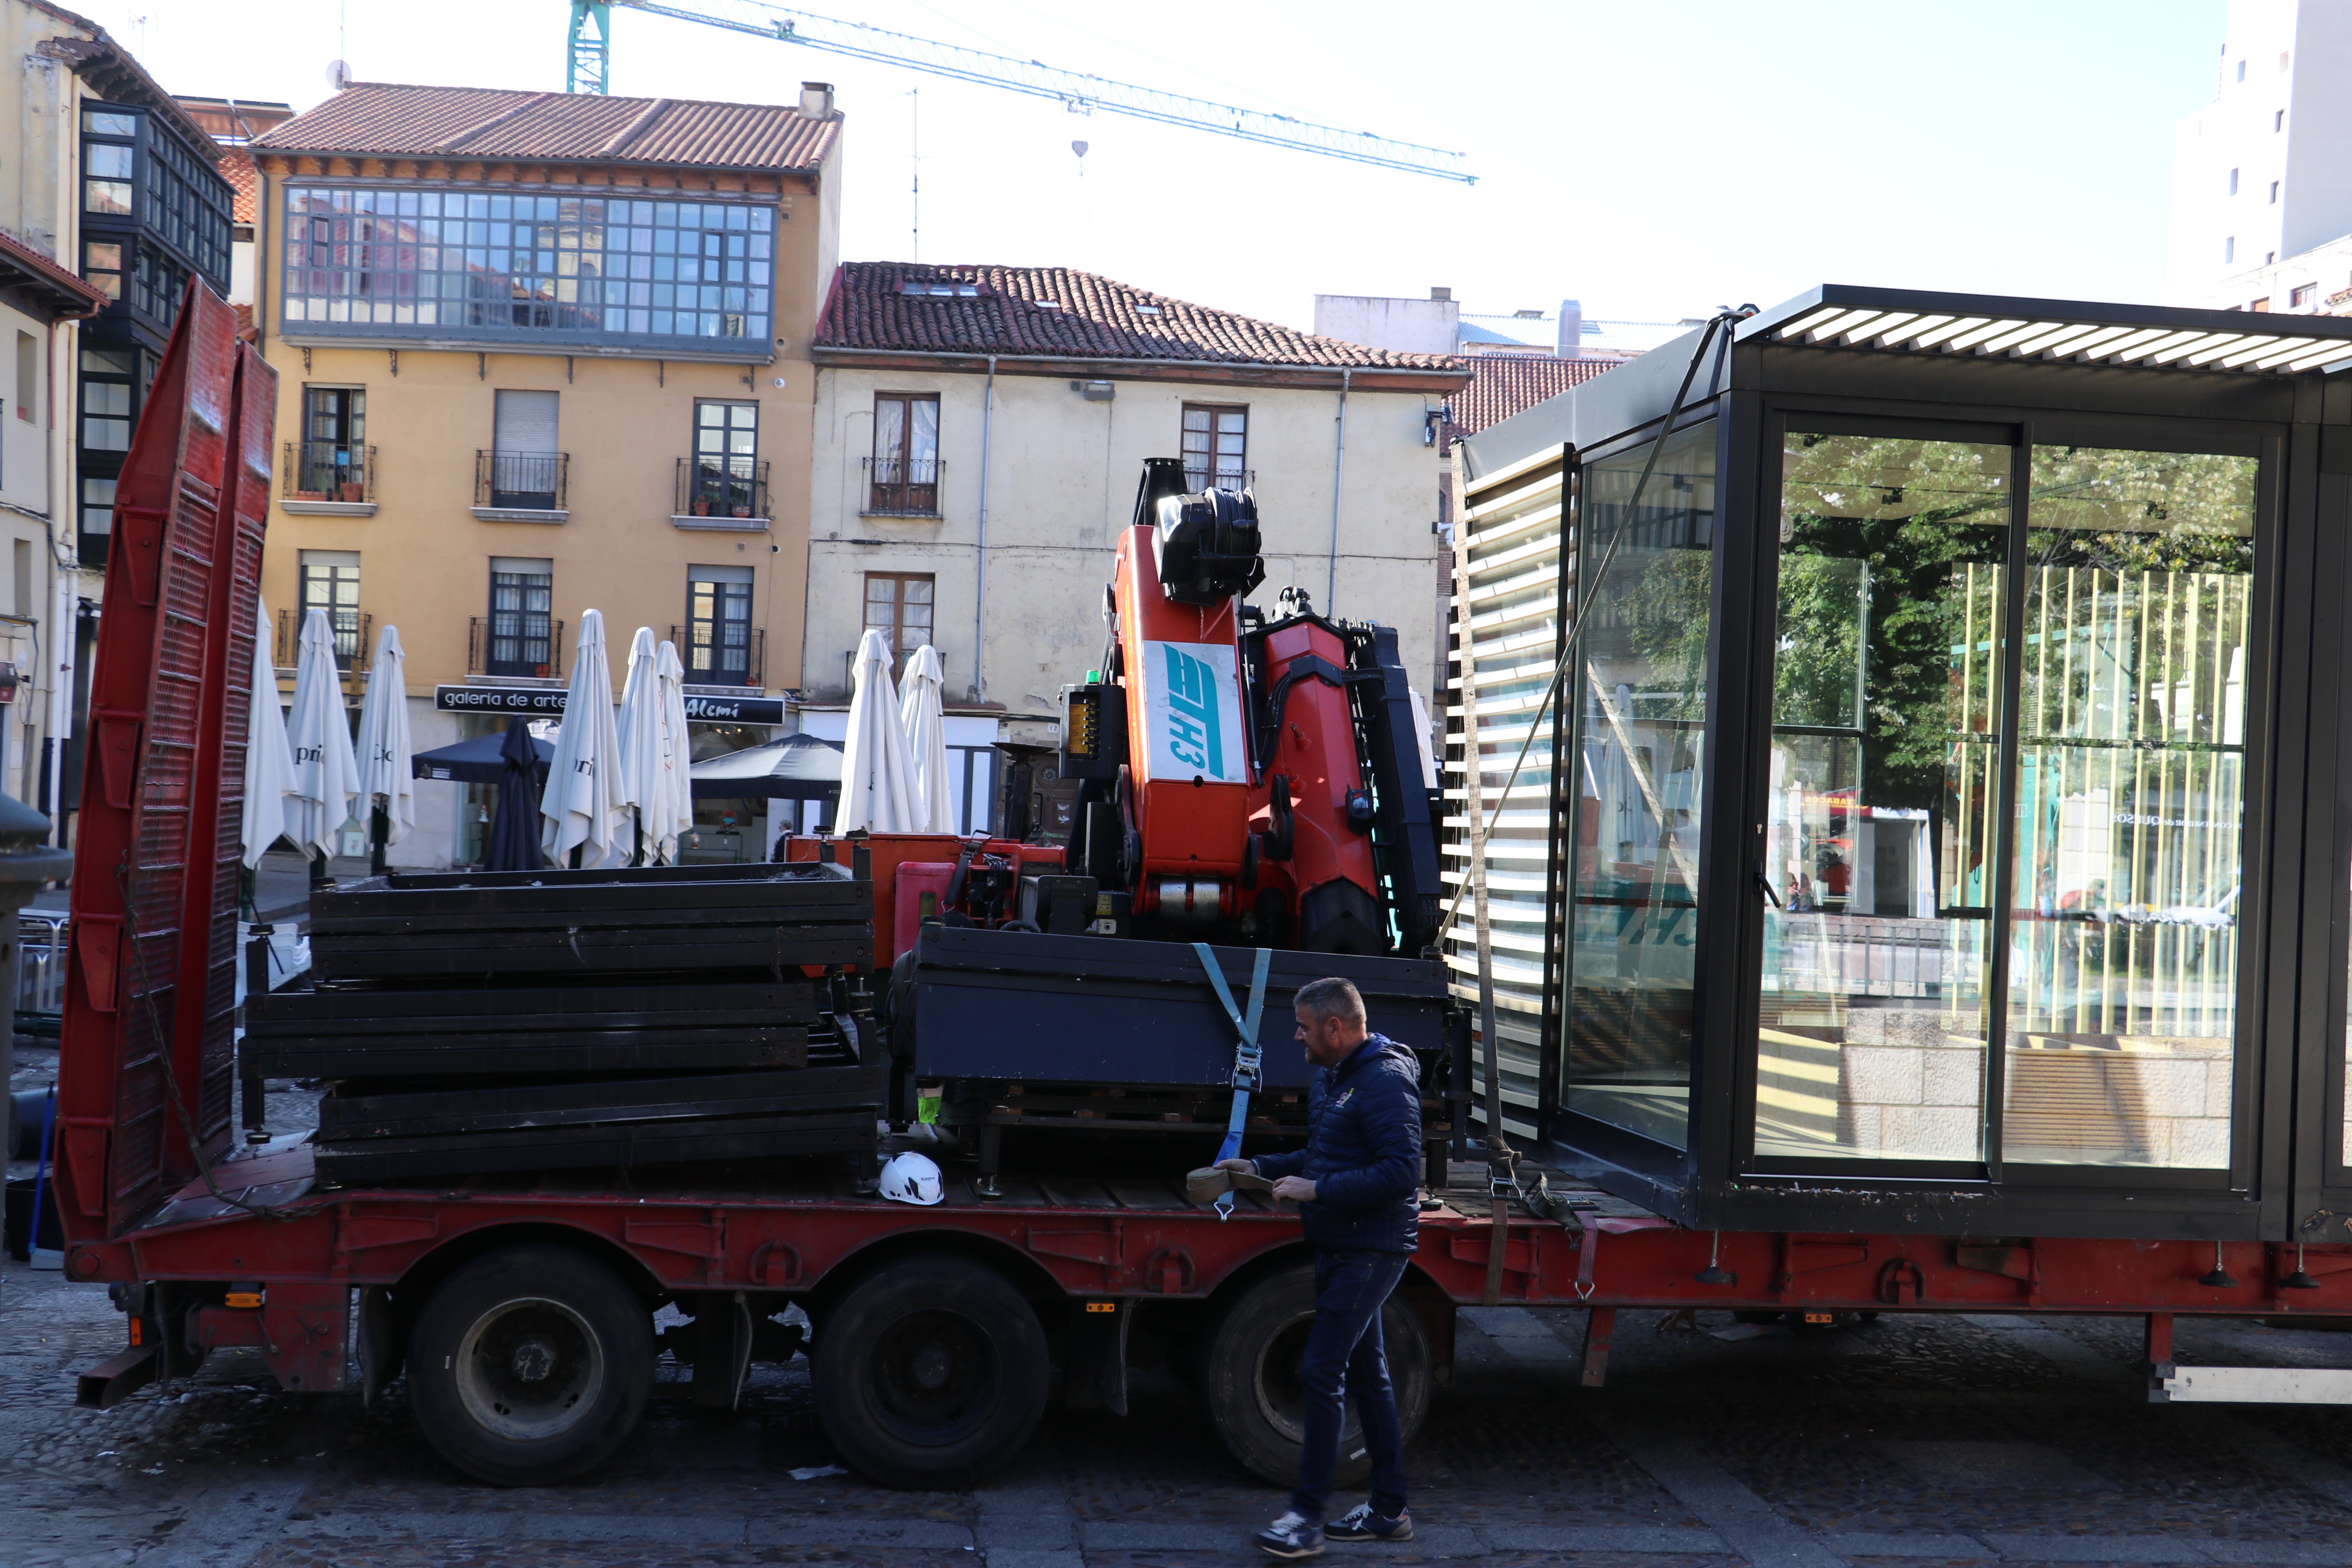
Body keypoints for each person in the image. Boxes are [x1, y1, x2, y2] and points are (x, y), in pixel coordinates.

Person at [1220, 976, 1422, 1558]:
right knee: (1370, 1377)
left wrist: (1318, 1189)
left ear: (1336, 1028)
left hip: (1372, 1248)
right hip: (1340, 1243)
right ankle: (1389, 1511)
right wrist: (1256, 1164)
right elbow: (1322, 1155)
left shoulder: (1384, 1082)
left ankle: (1306, 1520)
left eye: (1304, 1026)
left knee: (1320, 1370)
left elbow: (1402, 1172)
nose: (1297, 1035)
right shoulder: (1333, 1079)